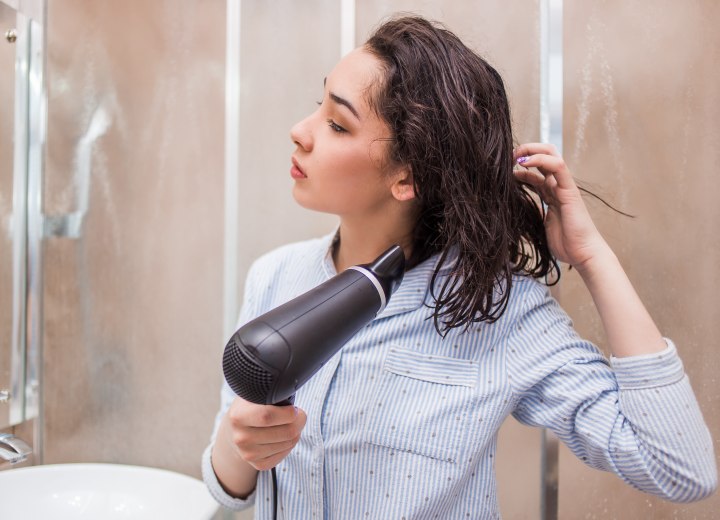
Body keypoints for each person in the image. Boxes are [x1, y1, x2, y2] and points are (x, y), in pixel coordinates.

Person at [202, 15, 717, 518]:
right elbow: (231, 489)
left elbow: (679, 469)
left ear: (407, 177)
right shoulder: (274, 276)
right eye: (320, 106)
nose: (300, 131)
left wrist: (591, 255)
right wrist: (240, 437)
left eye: (337, 124)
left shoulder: (496, 309)